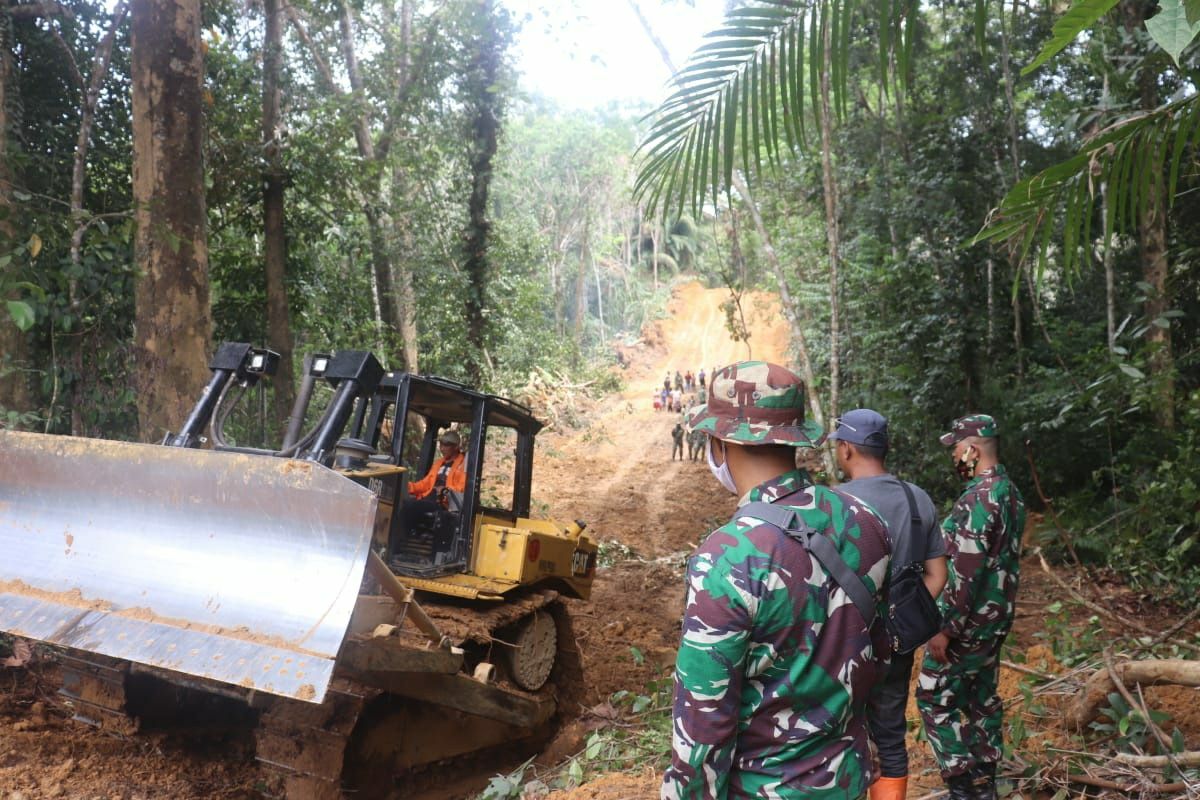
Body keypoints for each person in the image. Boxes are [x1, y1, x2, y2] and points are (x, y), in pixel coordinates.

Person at [662, 361, 892, 800]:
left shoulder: (727, 558)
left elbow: (703, 722)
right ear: (795, 437)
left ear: (719, 443)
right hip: (848, 780)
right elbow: (876, 653)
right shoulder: (867, 523)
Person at [828, 409, 949, 800]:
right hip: (896, 645)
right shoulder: (917, 499)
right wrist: (897, 627)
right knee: (890, 733)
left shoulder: (830, 503)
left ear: (845, 449)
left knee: (834, 733)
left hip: (837, 646)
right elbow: (937, 575)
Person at [916, 415, 1026, 800]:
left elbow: (964, 571)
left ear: (971, 450)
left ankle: (963, 787)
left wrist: (943, 627)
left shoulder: (979, 498)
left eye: (955, 450)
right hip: (994, 621)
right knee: (981, 698)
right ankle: (985, 785)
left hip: (969, 623)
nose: (953, 457)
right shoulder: (1010, 492)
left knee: (932, 697)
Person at [401, 429, 468, 532]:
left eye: (446, 445)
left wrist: (446, 489)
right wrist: (408, 486)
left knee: (410, 506)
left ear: (456, 447)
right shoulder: (438, 463)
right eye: (441, 444)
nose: (442, 448)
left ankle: (405, 536)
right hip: (429, 497)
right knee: (402, 502)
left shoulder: (463, 464)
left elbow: (462, 488)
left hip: (443, 503)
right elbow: (425, 484)